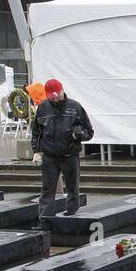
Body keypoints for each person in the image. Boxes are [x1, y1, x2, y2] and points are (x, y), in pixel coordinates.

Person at [32, 79, 94, 217]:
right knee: (47, 189)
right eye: (51, 96)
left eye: (56, 94)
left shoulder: (75, 107)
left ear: (62, 90)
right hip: (50, 156)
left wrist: (79, 135)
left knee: (73, 188)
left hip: (70, 155)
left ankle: (72, 215)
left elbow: (89, 132)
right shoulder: (43, 108)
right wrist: (36, 151)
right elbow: (36, 131)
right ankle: (45, 219)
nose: (54, 98)